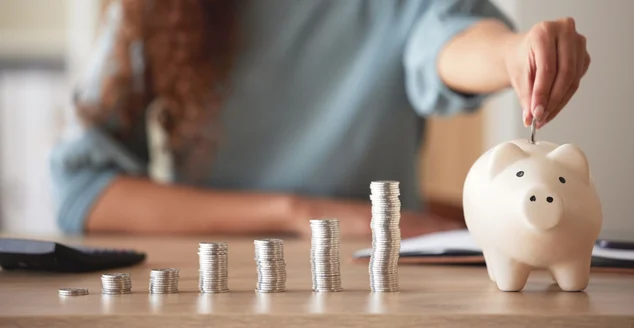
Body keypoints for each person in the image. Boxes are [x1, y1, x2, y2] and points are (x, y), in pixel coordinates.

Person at [50, 0, 590, 238]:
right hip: (214, 293)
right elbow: (83, 191)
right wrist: (299, 213)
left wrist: (516, 53)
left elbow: (448, 40)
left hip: (378, 290)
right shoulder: (151, 9)